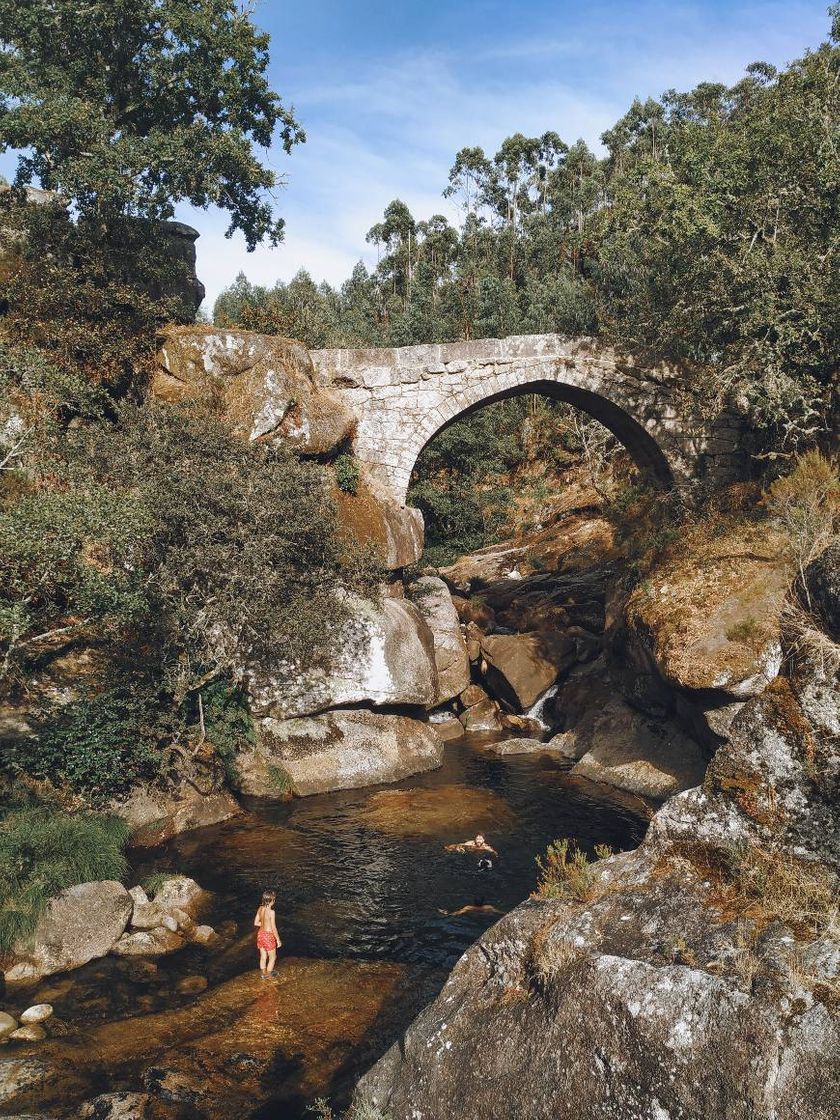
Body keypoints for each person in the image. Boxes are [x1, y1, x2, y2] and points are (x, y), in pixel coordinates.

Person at [253, 889, 281, 978]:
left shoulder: (260, 908)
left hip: (260, 934)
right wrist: (278, 939)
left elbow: (256, 923)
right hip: (268, 936)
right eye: (274, 899)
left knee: (263, 956)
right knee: (272, 958)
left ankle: (263, 974)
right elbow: (273, 928)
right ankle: (268, 975)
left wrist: (264, 924)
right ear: (272, 901)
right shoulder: (272, 912)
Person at [437, 897, 502, 917]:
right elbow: (499, 912)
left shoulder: (468, 908)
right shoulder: (489, 907)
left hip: (473, 916)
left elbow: (457, 913)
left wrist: (446, 913)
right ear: (483, 902)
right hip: (484, 915)